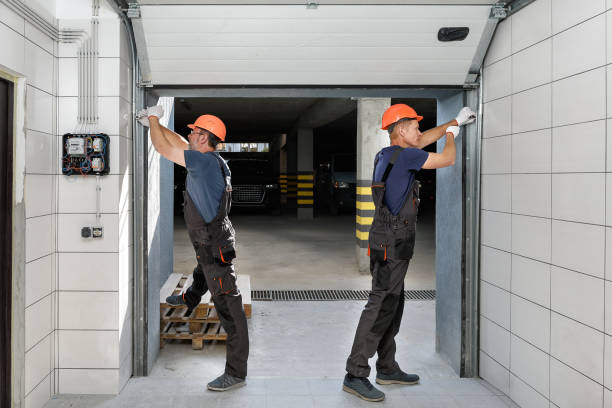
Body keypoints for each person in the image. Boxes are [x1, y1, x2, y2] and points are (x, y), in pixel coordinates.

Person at [343, 104, 476, 402]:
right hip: (393, 242)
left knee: (392, 304)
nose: (419, 130)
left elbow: (422, 140)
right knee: (380, 305)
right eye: (414, 126)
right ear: (401, 130)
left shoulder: (388, 155)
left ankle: (387, 368)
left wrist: (454, 121)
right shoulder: (408, 156)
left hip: (385, 241)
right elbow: (447, 159)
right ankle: (355, 373)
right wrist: (452, 135)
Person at [136, 106, 249, 392]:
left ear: (204, 137)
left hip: (213, 245)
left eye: (194, 131)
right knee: (203, 271)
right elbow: (178, 143)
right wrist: (156, 123)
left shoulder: (203, 163)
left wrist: (152, 121)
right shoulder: (209, 159)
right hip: (211, 241)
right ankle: (190, 297)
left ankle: (235, 373)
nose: (190, 134)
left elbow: (163, 148)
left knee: (230, 310)